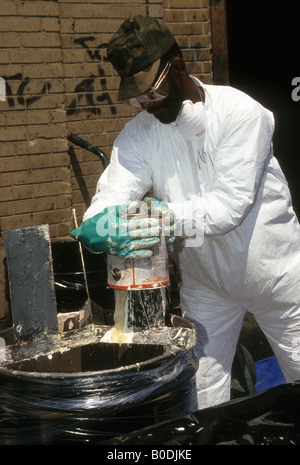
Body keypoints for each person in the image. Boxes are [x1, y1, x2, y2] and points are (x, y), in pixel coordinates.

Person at [71, 15, 300, 409]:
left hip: (275, 278)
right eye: (136, 96)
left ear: (177, 67)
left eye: (151, 91)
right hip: (206, 281)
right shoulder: (140, 132)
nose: (146, 104)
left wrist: (161, 217)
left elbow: (229, 207)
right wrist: (100, 222)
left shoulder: (241, 114)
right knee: (201, 391)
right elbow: (116, 190)